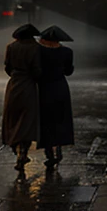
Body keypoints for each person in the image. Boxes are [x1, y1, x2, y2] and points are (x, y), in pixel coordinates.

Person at [2, 23, 41, 171]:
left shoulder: (11, 47)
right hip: (28, 85)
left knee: (12, 118)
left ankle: (14, 146)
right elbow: (37, 69)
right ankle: (23, 151)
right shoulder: (35, 48)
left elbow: (7, 67)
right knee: (27, 120)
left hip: (13, 85)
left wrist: (15, 76)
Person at [37, 25, 74, 168]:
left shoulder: (39, 51)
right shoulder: (67, 52)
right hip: (60, 87)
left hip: (44, 88)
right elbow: (68, 71)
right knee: (60, 119)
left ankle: (49, 153)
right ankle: (58, 147)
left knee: (46, 120)